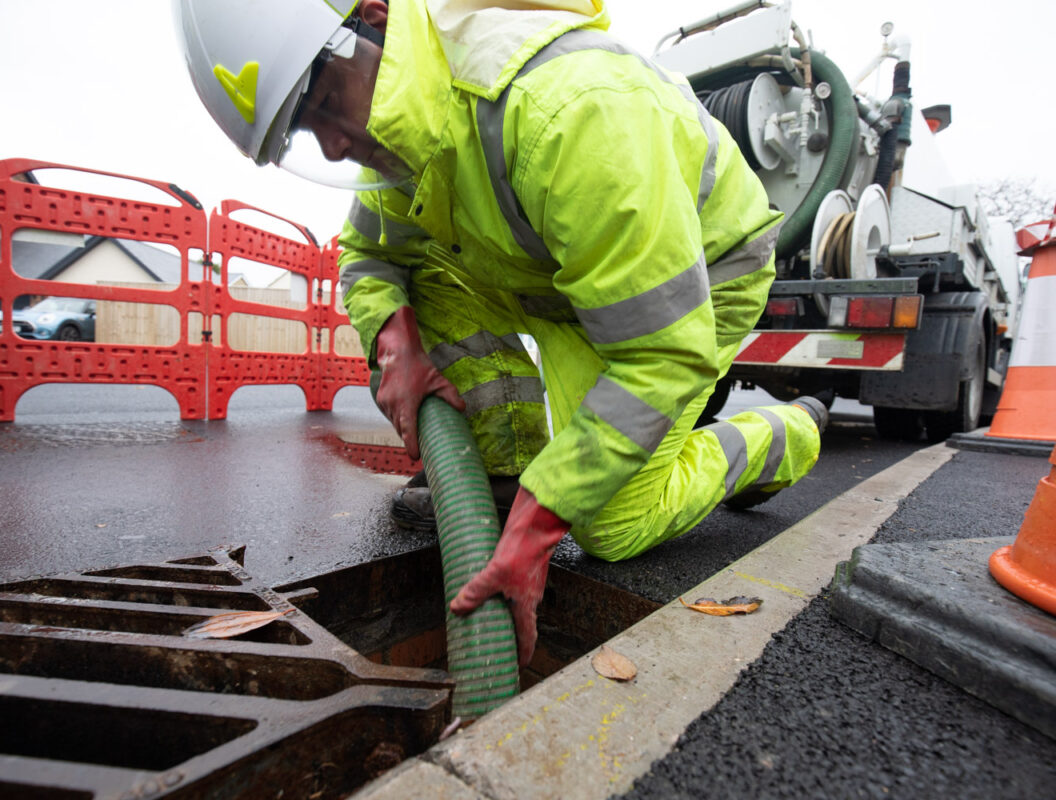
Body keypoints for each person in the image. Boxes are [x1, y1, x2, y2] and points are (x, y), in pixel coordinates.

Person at [173, 0, 825, 668]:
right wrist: (395, 346)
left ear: (372, 19)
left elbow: (659, 351)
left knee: (613, 525)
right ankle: (503, 471)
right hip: (559, 282)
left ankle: (783, 438)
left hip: (692, 285)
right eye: (307, 133)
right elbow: (371, 257)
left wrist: (544, 522)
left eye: (325, 101)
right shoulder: (406, 128)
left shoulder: (568, 111)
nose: (334, 144)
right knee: (416, 284)